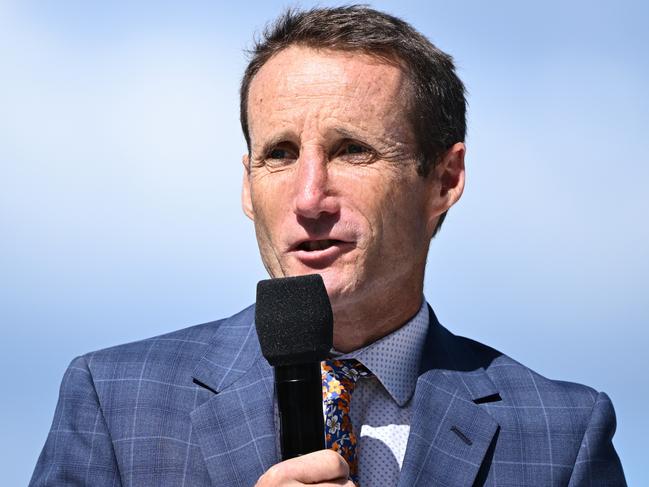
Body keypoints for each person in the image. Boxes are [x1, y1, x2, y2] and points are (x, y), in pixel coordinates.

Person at [30, 6, 626, 486]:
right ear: (246, 184)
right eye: (280, 155)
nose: (309, 198)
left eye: (352, 151)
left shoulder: (560, 437)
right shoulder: (116, 401)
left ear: (443, 180)